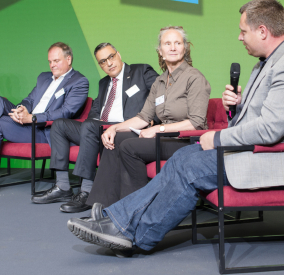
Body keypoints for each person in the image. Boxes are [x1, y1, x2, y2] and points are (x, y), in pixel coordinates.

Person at [67, 0, 284, 256]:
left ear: (263, 31)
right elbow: (260, 122)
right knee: (183, 156)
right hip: (258, 151)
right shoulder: (268, 64)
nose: (240, 37)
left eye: (243, 31)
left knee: (190, 166)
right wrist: (237, 106)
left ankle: (132, 232)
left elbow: (270, 130)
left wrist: (216, 138)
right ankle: (121, 222)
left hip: (282, 159)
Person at [84, 26, 211, 208]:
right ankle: (103, 205)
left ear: (185, 48)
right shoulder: (159, 82)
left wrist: (158, 129)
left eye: (178, 43)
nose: (173, 48)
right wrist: (113, 128)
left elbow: (197, 123)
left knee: (128, 146)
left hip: (186, 141)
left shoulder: (194, 77)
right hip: (164, 138)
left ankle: (134, 209)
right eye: (168, 44)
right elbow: (143, 117)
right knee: (116, 139)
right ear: (160, 51)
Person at [0, 42, 89, 196]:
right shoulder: (44, 77)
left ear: (69, 59)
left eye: (56, 61)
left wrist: (32, 118)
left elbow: (66, 112)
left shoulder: (79, 81)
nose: (52, 65)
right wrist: (21, 108)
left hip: (45, 130)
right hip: (26, 123)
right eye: (50, 61)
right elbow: (30, 100)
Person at [33, 43, 158, 213]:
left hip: (127, 128)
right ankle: (62, 187)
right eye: (102, 61)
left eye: (111, 57)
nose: (109, 63)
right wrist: (89, 129)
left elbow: (161, 96)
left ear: (119, 55)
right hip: (98, 128)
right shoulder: (103, 83)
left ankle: (87, 191)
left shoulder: (141, 71)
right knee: (60, 124)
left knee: (90, 127)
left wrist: (152, 121)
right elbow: (95, 112)